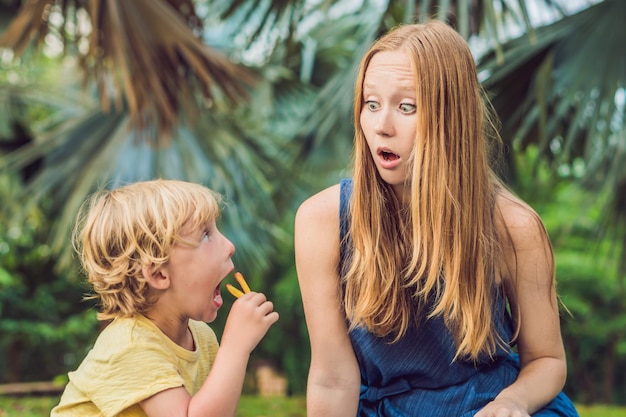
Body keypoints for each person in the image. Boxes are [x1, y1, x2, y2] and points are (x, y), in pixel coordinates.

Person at [295, 20, 579, 417]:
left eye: (406, 107)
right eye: (371, 103)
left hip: (490, 404)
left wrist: (512, 403)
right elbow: (332, 377)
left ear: (451, 117)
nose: (381, 126)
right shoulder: (320, 221)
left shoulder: (515, 228)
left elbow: (547, 360)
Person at [51, 179, 279, 417]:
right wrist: (235, 347)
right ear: (159, 274)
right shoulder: (131, 346)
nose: (230, 246)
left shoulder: (201, 337)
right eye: (205, 235)